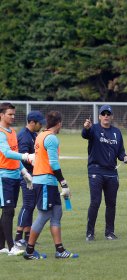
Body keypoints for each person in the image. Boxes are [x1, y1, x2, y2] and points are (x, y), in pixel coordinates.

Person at [23, 111, 78, 260]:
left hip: (46, 181)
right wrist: (64, 183)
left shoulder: (40, 135)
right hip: (45, 181)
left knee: (57, 212)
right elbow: (53, 163)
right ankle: (29, 251)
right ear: (59, 123)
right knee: (45, 214)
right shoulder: (51, 138)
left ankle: (60, 250)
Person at [82, 105, 127, 241]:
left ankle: (109, 232)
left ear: (112, 116)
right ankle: (90, 233)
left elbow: (120, 152)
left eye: (108, 114)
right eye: (103, 114)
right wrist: (86, 128)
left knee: (111, 203)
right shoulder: (94, 129)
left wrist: (125, 158)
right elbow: (85, 135)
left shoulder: (116, 132)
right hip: (96, 171)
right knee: (95, 202)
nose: (106, 116)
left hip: (111, 173)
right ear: (99, 116)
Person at [0, 102, 33, 256]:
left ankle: (1, 247)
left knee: (8, 212)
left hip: (14, 175)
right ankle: (12, 247)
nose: (13, 117)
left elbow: (15, 155)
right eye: (10, 114)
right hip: (3, 177)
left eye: (14, 114)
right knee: (8, 210)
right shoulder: (0, 133)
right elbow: (7, 153)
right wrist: (25, 156)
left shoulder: (12, 132)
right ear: (1, 115)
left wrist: (24, 172)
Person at [14, 111, 45, 247]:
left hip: (34, 175)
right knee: (27, 205)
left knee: (31, 205)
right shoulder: (24, 136)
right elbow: (22, 158)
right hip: (26, 175)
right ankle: (18, 237)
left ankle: (27, 237)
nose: (41, 125)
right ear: (32, 122)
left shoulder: (33, 134)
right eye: (39, 123)